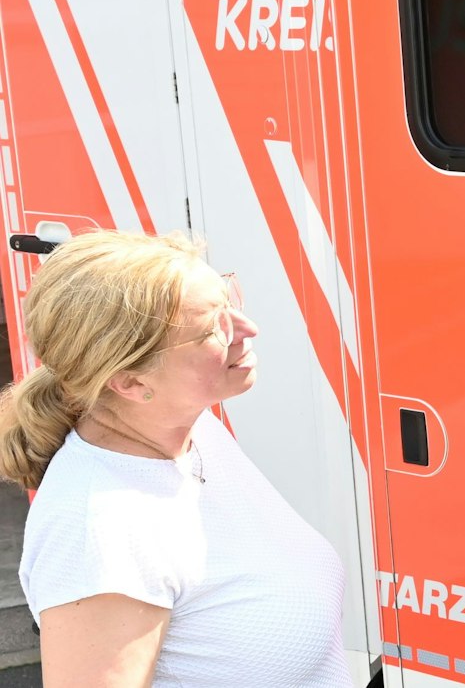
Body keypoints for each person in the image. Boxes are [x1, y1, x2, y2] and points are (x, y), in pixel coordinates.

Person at [0, 230, 348, 686]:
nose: (246, 328)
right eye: (212, 329)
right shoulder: (97, 532)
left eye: (229, 301)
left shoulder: (188, 431)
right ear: (129, 382)